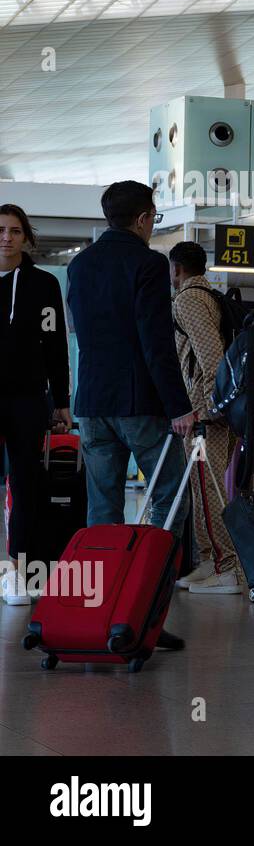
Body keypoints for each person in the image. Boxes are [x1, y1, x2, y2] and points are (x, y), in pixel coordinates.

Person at [66, 181, 192, 651]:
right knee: (170, 496)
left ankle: (100, 614)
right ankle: (144, 607)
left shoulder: (81, 264)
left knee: (102, 512)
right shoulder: (148, 263)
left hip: (93, 404)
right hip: (139, 403)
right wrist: (178, 406)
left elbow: (83, 333)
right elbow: (155, 343)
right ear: (143, 218)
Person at [0, 204, 70, 605]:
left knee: (26, 487)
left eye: (14, 230)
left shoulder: (44, 285)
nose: (7, 237)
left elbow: (55, 345)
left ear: (26, 236)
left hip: (27, 399)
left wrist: (60, 401)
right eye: (1, 230)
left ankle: (18, 573)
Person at [167, 241, 244, 596]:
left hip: (207, 414)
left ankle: (226, 567)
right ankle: (209, 561)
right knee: (205, 488)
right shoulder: (213, 296)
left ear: (176, 269)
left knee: (208, 489)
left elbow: (210, 354)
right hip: (221, 411)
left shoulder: (188, 299)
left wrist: (207, 409)